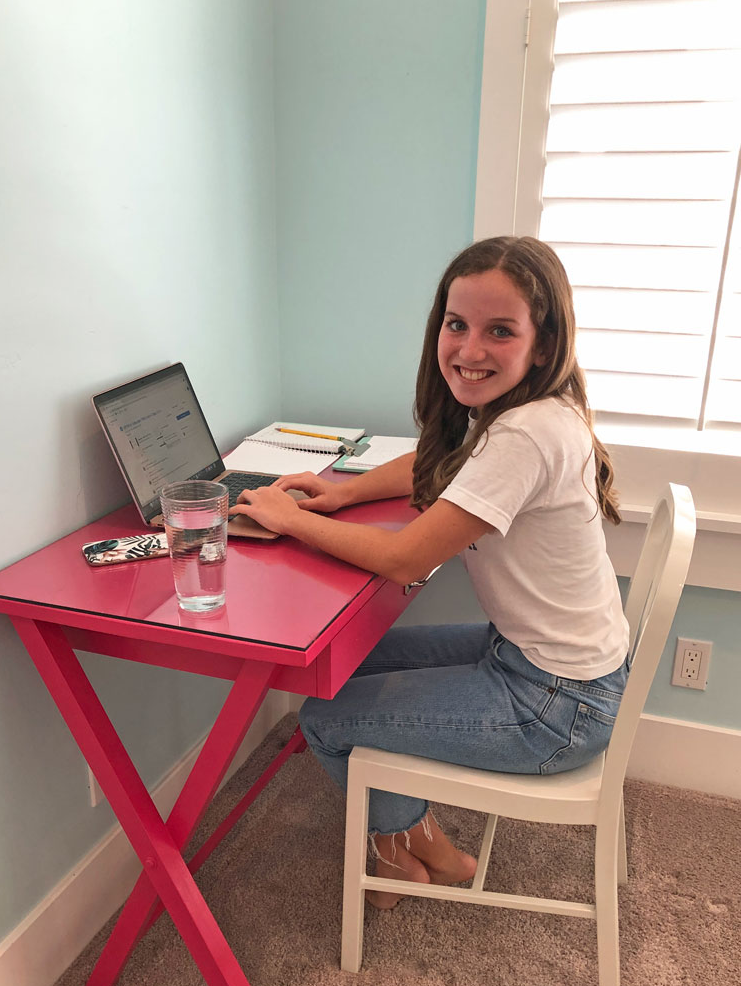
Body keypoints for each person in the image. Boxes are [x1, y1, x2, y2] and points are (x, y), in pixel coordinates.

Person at [230, 236, 630, 909]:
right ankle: (413, 847)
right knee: (348, 666)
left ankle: (412, 852)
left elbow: (405, 558)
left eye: (499, 331)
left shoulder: (525, 435)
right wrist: (345, 493)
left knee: (326, 716)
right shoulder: (521, 413)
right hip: (556, 668)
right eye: (457, 325)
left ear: (543, 340)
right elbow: (438, 458)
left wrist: (291, 518)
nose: (470, 350)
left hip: (555, 705)